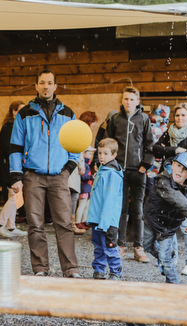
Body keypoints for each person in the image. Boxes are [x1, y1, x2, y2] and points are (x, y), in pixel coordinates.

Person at [9, 69, 81, 278]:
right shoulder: (25, 114)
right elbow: (15, 146)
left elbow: (75, 146)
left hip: (59, 175)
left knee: (64, 223)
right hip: (33, 176)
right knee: (35, 224)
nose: (46, 87)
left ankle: (71, 269)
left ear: (55, 86)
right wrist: (16, 176)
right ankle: (40, 268)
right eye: (42, 83)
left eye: (50, 83)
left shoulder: (68, 114)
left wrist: (67, 170)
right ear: (36, 86)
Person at [105, 86, 155, 263]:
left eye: (132, 99)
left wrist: (145, 166)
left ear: (138, 101)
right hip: (119, 171)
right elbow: (108, 142)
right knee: (120, 209)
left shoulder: (144, 119)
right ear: (122, 100)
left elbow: (150, 145)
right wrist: (111, 165)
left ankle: (139, 247)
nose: (128, 102)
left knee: (138, 210)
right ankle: (121, 245)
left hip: (138, 171)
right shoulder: (115, 119)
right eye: (126, 99)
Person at [153, 102, 187, 276]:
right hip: (167, 182)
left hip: (185, 183)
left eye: (183, 115)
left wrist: (170, 153)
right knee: (168, 221)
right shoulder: (169, 133)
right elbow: (156, 149)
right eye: (177, 115)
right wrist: (176, 149)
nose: (180, 118)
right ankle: (171, 258)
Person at [143, 152, 187, 284]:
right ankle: (166, 255)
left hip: (168, 228)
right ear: (172, 165)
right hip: (152, 221)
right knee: (147, 246)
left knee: (165, 260)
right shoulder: (163, 181)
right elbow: (178, 199)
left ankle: (173, 285)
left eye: (185, 170)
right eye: (178, 166)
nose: (180, 171)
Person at [87, 138, 123, 280]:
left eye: (106, 153)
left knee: (110, 246)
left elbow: (109, 199)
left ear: (114, 155)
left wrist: (105, 222)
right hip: (98, 219)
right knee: (98, 246)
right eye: (100, 153)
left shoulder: (112, 174)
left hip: (107, 220)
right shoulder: (103, 170)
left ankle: (115, 272)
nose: (102, 156)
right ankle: (99, 269)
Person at [0, 101, 28, 238]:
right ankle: (0, 224)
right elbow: (7, 148)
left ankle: (11, 227)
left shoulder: (21, 126)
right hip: (8, 166)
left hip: (17, 166)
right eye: (20, 110)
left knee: (14, 195)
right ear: (13, 112)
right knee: (15, 195)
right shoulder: (7, 128)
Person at [75, 146, 95, 231]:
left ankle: (83, 221)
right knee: (82, 205)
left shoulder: (87, 164)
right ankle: (77, 221)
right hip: (84, 188)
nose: (91, 155)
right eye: (89, 153)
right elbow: (82, 176)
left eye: (91, 154)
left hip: (87, 188)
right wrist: (91, 177)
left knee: (86, 205)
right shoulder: (84, 164)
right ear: (84, 153)